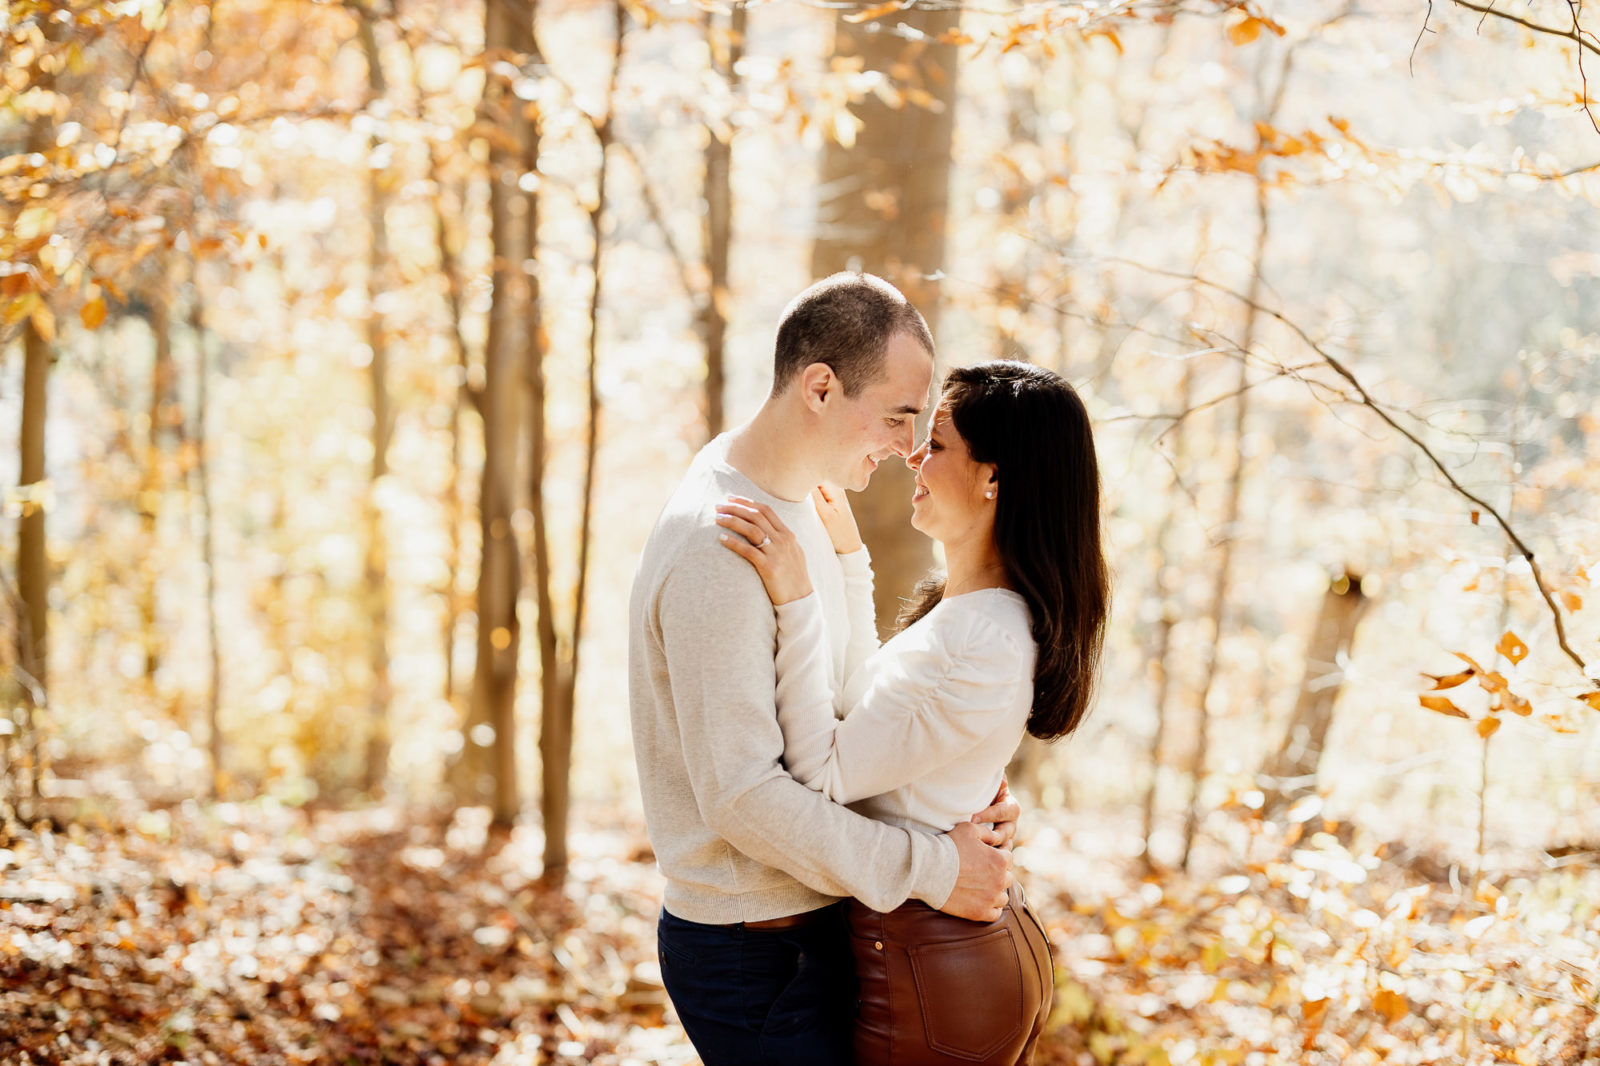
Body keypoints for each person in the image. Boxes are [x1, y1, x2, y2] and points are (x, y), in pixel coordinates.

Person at [628, 274, 1021, 1066]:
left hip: (814, 926)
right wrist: (935, 868)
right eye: (901, 414)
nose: (912, 447)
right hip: (758, 953)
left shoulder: (795, 498)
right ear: (819, 388)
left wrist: (953, 791)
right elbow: (744, 796)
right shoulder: (722, 544)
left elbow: (841, 709)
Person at [714, 360, 1111, 1066]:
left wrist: (798, 602)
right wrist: (846, 564)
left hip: (935, 976)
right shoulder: (972, 617)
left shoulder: (977, 639)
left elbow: (825, 769)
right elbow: (880, 714)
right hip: (944, 963)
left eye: (940, 444)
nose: (915, 457)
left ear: (996, 477)